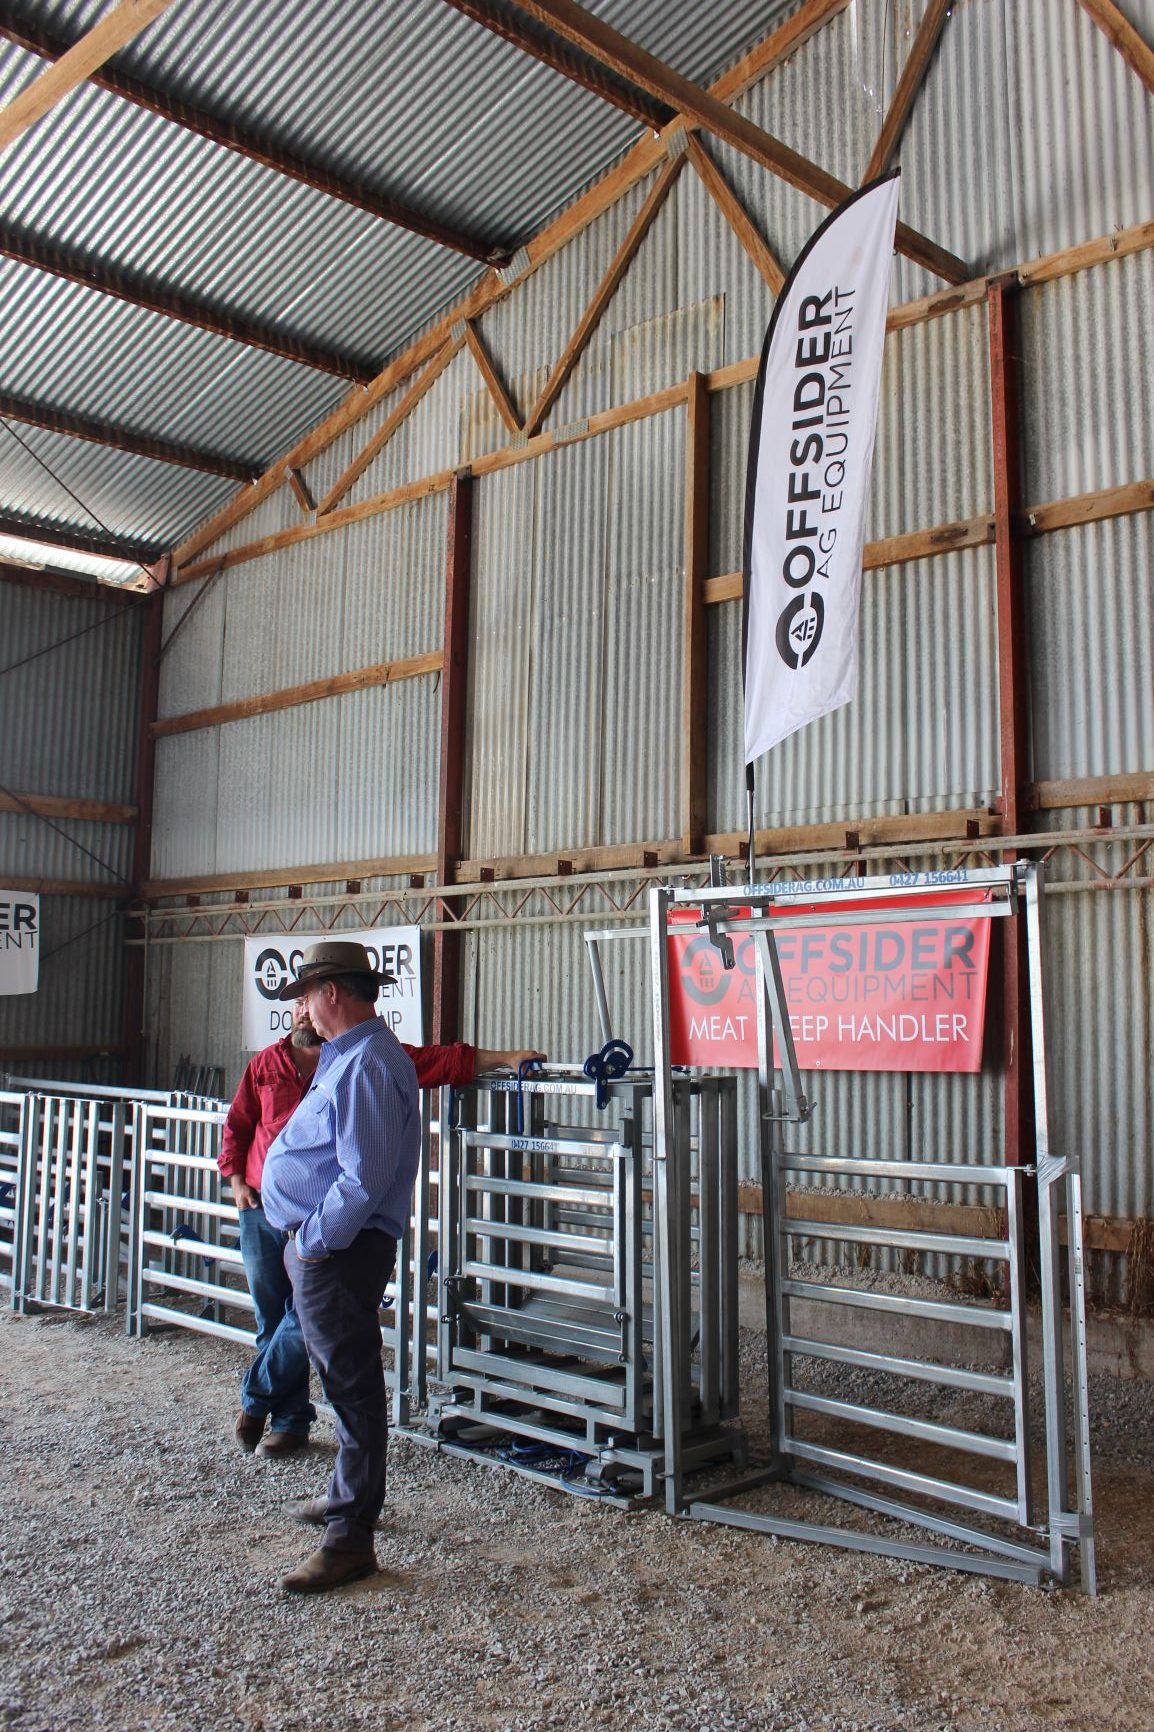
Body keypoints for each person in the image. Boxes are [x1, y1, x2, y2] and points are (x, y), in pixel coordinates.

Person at [221, 983, 543, 1461]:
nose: (303, 1010)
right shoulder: (266, 1065)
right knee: (275, 1318)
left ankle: (263, 1404)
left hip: (319, 1222)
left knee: (302, 1322)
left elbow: (441, 1062)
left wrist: (507, 1057)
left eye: (308, 999)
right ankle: (289, 1419)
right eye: (297, 1003)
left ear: (328, 999)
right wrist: (235, 1179)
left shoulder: (357, 1062)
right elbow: (238, 1123)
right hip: (261, 1210)